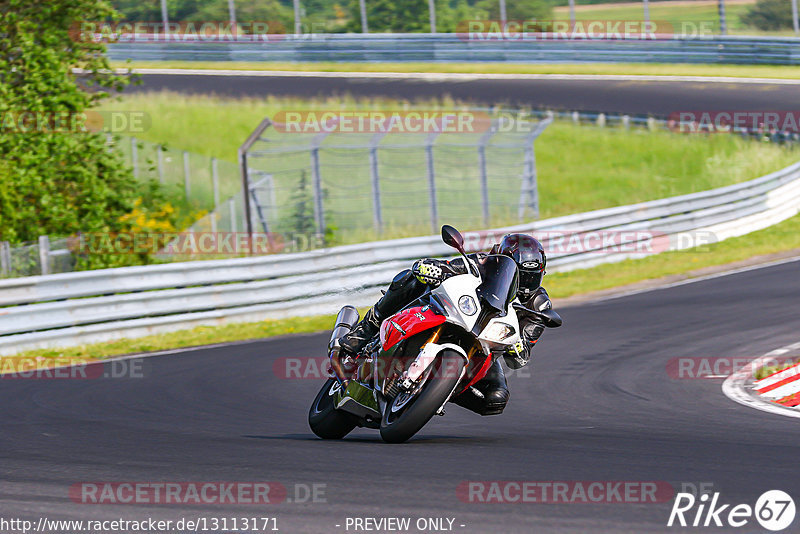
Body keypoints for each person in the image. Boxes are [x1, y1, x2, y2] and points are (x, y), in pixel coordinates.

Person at [332, 233, 553, 416]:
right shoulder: (485, 264)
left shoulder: (539, 306)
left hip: (484, 348)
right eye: (520, 274)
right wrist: (433, 269)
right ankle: (364, 331)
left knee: (495, 399)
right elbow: (448, 266)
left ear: (541, 273)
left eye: (531, 277)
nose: (524, 283)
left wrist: (518, 348)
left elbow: (519, 359)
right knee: (411, 277)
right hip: (453, 314)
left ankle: (438, 389)